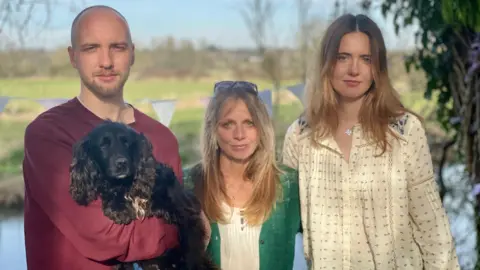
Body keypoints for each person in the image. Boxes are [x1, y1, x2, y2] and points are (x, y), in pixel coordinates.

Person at [282, 14, 460, 269]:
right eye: (343, 57)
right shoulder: (300, 136)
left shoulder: (405, 131)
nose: (354, 69)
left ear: (377, 68)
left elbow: (432, 228)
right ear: (328, 63)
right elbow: (281, 222)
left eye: (366, 59)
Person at [22, 5, 183, 270]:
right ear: (73, 57)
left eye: (118, 47)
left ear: (132, 54)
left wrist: (181, 222)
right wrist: (180, 224)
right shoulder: (49, 134)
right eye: (91, 48)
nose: (106, 61)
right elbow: (105, 236)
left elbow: (179, 239)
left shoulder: (162, 139)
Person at [183, 81, 301, 270]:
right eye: (228, 124)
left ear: (262, 128)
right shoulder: (187, 185)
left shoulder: (289, 184)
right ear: (213, 129)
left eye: (249, 123)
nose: (239, 135)